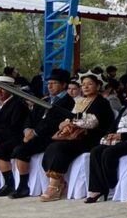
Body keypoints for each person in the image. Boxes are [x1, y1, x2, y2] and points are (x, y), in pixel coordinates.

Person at [39, 73, 115, 202]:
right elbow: (70, 117)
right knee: (52, 145)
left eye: (89, 84)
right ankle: (59, 181)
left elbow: (92, 122)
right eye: (83, 84)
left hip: (92, 137)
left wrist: (72, 122)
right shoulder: (81, 101)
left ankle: (55, 186)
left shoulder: (101, 102)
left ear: (98, 86)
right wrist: (65, 124)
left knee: (60, 147)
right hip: (77, 135)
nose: (85, 87)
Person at [5, 69, 75, 199]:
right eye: (48, 83)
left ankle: (23, 186)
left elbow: (55, 122)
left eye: (54, 83)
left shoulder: (68, 101)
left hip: (50, 137)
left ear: (64, 85)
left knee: (21, 150)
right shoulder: (45, 99)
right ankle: (10, 184)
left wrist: (35, 133)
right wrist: (27, 129)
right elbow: (30, 118)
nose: (50, 86)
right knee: (9, 147)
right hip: (34, 135)